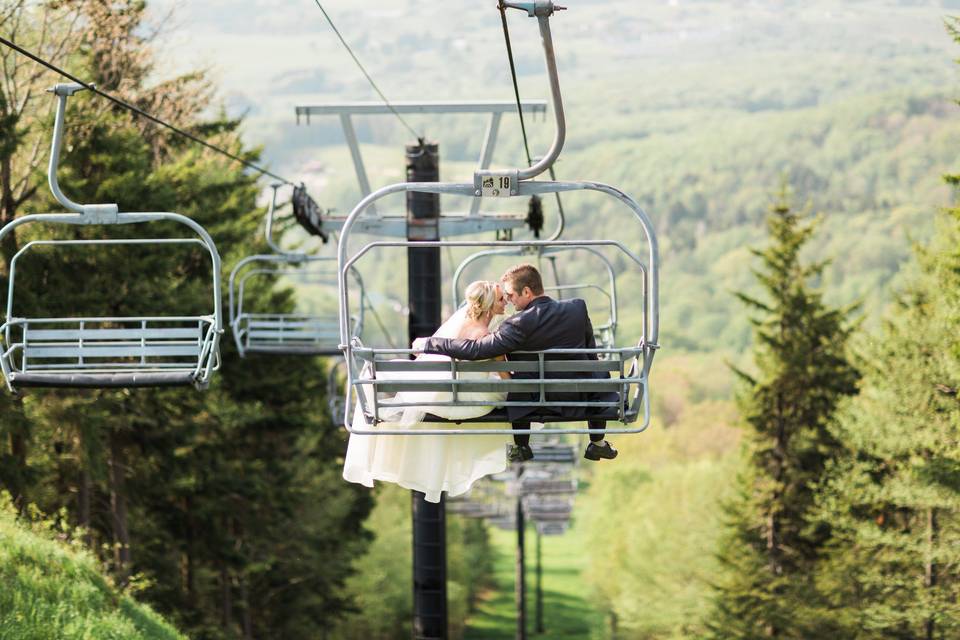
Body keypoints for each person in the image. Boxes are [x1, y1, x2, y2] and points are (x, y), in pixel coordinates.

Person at [415, 263, 619, 463]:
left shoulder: (518, 324)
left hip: (535, 399)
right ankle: (597, 442)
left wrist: (429, 343)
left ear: (527, 292)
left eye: (511, 295)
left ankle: (522, 445)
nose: (509, 301)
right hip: (579, 394)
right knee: (597, 372)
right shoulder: (577, 308)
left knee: (518, 382)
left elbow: (477, 350)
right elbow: (591, 352)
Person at [342, 281, 514, 503]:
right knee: (508, 396)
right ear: (489, 306)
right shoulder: (489, 338)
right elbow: (507, 380)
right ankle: (521, 443)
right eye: (501, 299)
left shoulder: (461, 328)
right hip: (469, 402)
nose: (505, 302)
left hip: (448, 397)